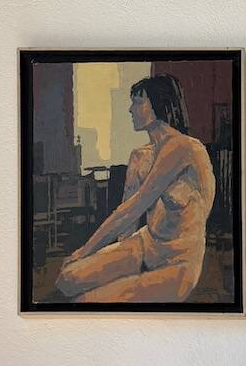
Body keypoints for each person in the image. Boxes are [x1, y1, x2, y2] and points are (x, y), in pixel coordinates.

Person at [56, 74, 216, 303]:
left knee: (84, 302)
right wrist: (117, 260)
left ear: (159, 103)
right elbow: (128, 219)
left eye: (138, 101)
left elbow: (133, 208)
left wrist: (84, 251)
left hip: (178, 263)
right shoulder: (140, 156)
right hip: (145, 245)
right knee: (67, 278)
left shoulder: (184, 147)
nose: (130, 109)